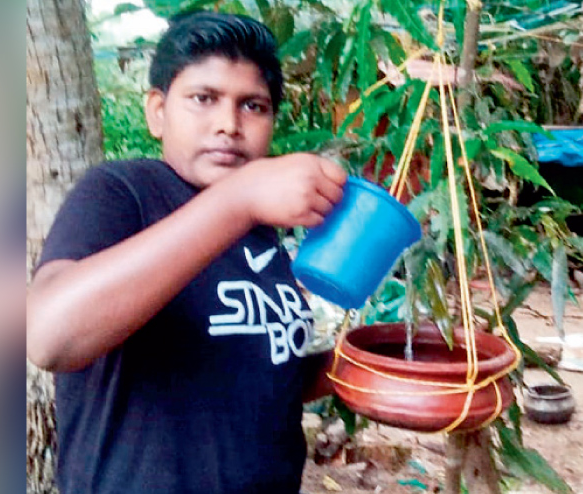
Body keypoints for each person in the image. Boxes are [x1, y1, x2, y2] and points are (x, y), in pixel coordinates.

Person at [26, 11, 346, 494]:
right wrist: (238, 200)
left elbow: (259, 368)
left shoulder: (261, 228)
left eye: (253, 106)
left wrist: (356, 368)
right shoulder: (123, 192)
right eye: (203, 98)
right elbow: (50, 335)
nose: (229, 125)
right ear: (158, 111)